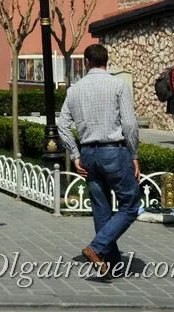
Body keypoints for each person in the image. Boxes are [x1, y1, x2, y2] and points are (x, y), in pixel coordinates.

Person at [58, 44, 140, 276]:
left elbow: (63, 126)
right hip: (113, 150)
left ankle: (110, 263)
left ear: (86, 62)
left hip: (88, 154)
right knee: (130, 205)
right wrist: (134, 154)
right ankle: (96, 247)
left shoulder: (74, 90)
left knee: (101, 208)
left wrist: (74, 154)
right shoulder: (118, 85)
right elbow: (130, 124)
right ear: (107, 60)